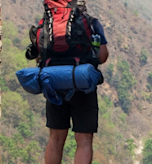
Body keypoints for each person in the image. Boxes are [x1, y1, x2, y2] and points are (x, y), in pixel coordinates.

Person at [43, 16, 109, 164]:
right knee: (84, 140)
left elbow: (39, 54)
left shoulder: (49, 21)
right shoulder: (92, 23)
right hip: (82, 85)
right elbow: (103, 56)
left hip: (55, 85)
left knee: (55, 138)